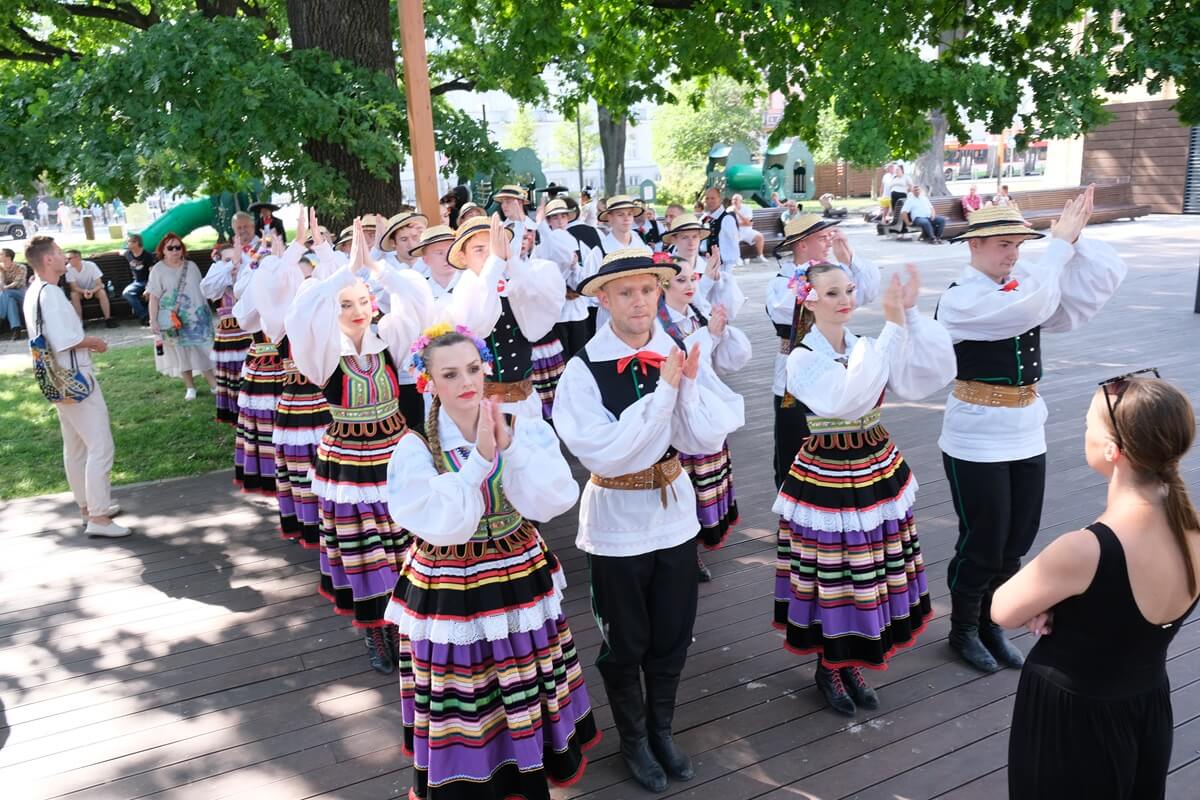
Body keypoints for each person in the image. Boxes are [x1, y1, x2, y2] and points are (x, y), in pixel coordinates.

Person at [553, 248, 744, 793]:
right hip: (616, 520)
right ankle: (633, 739)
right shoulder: (581, 370)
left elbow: (701, 438)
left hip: (675, 512)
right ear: (603, 299)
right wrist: (665, 391)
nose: (639, 301)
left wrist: (687, 389)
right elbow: (606, 453)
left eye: (647, 290)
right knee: (627, 638)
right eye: (626, 292)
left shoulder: (677, 350)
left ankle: (661, 730)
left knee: (673, 631)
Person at [384, 325, 599, 799]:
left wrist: (510, 446)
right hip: (448, 584)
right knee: (465, 696)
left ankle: (529, 777)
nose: (467, 381)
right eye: (450, 373)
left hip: (516, 573)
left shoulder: (520, 428)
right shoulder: (415, 446)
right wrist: (481, 459)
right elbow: (440, 522)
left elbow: (554, 498)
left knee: (524, 685)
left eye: (474, 368)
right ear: (429, 382)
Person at [935, 186, 1129, 673]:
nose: (1014, 254)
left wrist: (1076, 239)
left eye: (1020, 245)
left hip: (1025, 429)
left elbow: (1098, 284)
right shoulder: (961, 301)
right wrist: (1057, 244)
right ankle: (963, 630)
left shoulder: (1026, 289)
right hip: (976, 435)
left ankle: (992, 621)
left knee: (1016, 538)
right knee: (983, 539)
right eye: (1004, 244)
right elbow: (1029, 307)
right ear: (973, 244)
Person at [993, 375, 1200, 800]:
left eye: (1088, 424)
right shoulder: (1193, 533)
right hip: (1147, 708)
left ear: (1113, 451)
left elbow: (1002, 610)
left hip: (1074, 722)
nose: (1082, 431)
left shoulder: (1084, 551)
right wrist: (1071, 600)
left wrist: (1059, 600)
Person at [774, 262, 955, 715]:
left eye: (849, 290)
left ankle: (850, 658)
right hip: (829, 471)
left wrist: (909, 316)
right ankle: (830, 663)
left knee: (869, 563)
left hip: (875, 464)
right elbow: (844, 398)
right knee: (833, 569)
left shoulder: (864, 346)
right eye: (833, 292)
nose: (845, 300)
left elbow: (924, 377)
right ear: (809, 300)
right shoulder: (802, 357)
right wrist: (893, 326)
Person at [286, 218, 424, 674]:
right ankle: (375, 631)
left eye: (364, 302)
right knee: (365, 550)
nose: (358, 310)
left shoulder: (391, 341)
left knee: (403, 543)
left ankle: (406, 623)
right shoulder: (325, 352)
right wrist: (335, 272)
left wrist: (378, 271)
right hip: (349, 463)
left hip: (396, 453)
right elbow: (300, 314)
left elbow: (419, 302)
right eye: (347, 304)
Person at [658, 217, 751, 580]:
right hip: (681, 417)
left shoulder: (694, 312)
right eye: (681, 280)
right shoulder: (660, 325)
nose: (690, 284)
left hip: (706, 410)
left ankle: (696, 545)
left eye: (692, 278)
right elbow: (682, 362)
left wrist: (720, 331)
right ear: (664, 285)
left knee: (706, 481)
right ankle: (684, 550)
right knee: (685, 484)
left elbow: (722, 362)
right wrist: (710, 336)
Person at [22, 236, 129, 538]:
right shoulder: (52, 294)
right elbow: (65, 339)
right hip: (75, 378)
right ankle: (98, 516)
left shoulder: (34, 291)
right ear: (47, 260)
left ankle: (88, 507)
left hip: (55, 379)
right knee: (100, 445)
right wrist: (94, 342)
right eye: (57, 253)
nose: (63, 258)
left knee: (76, 446)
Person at [766, 215, 881, 490]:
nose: (830, 240)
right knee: (793, 444)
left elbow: (868, 292)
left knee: (835, 439)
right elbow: (789, 304)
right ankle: (792, 510)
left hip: (835, 368)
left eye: (830, 235)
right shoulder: (782, 282)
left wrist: (849, 258)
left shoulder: (836, 272)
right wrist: (814, 277)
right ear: (802, 244)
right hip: (794, 373)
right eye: (822, 237)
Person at [254, 208, 335, 549]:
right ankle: (309, 526)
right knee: (303, 463)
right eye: (300, 270)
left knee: (325, 465)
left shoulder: (328, 304)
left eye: (310, 269)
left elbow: (338, 280)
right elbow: (271, 282)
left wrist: (322, 249)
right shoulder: (280, 316)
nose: (305, 276)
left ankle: (329, 523)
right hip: (299, 402)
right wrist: (295, 247)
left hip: (328, 401)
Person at [147, 234, 216, 401]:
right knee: (181, 353)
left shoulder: (191, 266)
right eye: (170, 248)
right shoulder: (158, 270)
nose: (175, 251)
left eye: (178, 247)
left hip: (198, 318)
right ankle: (190, 387)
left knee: (203, 351)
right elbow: (154, 297)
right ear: (163, 250)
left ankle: (213, 384)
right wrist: (153, 320)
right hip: (174, 320)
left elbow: (201, 290)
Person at [535, 197, 597, 363]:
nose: (560, 221)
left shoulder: (577, 242)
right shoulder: (541, 249)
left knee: (579, 359)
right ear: (549, 221)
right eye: (555, 217)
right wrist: (562, 289)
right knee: (561, 360)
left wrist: (575, 268)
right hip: (557, 312)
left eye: (563, 216)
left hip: (577, 310)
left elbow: (585, 277)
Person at [199, 243, 253, 424]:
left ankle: (250, 410)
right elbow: (207, 289)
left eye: (236, 258)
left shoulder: (247, 275)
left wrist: (240, 266)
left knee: (246, 371)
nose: (233, 263)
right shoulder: (219, 278)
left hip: (247, 333)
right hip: (228, 334)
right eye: (227, 259)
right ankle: (234, 412)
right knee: (230, 373)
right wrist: (230, 265)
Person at [64, 250, 116, 328]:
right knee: (74, 295)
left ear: (77, 258)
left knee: (102, 292)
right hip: (80, 291)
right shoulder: (68, 269)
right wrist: (84, 292)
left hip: (94, 290)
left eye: (69, 258)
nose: (67, 260)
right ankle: (79, 322)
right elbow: (74, 287)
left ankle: (108, 319)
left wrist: (91, 291)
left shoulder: (91, 265)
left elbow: (99, 284)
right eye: (67, 258)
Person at [699, 187, 740, 272]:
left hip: (721, 266)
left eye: (713, 198)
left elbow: (733, 243)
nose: (709, 201)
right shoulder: (704, 218)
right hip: (704, 263)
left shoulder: (727, 219)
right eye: (707, 198)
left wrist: (729, 268)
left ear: (720, 199)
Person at [120, 234, 155, 325]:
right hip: (137, 282)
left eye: (129, 242)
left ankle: (149, 316)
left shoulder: (147, 255)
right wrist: (99, 254)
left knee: (152, 294)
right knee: (127, 293)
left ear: (136, 243)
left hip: (149, 281)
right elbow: (117, 252)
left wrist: (149, 288)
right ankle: (145, 316)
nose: (127, 244)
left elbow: (153, 273)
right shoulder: (128, 253)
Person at [730, 194, 765, 262]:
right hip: (736, 232)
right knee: (733, 239)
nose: (734, 201)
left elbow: (750, 223)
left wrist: (738, 213)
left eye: (736, 200)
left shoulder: (747, 208)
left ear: (741, 201)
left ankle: (760, 256)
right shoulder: (729, 210)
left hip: (748, 231)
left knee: (760, 236)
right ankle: (737, 258)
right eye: (733, 199)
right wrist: (744, 223)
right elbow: (731, 224)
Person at [1, 248, 27, 339]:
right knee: (10, 301)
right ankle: (16, 329)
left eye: (1, 254)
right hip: (7, 296)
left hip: (21, 294)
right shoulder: (0, 268)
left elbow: (17, 283)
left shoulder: (21, 267)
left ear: (8, 257)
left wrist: (5, 288)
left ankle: (1, 317)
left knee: (6, 293)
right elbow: (1, 282)